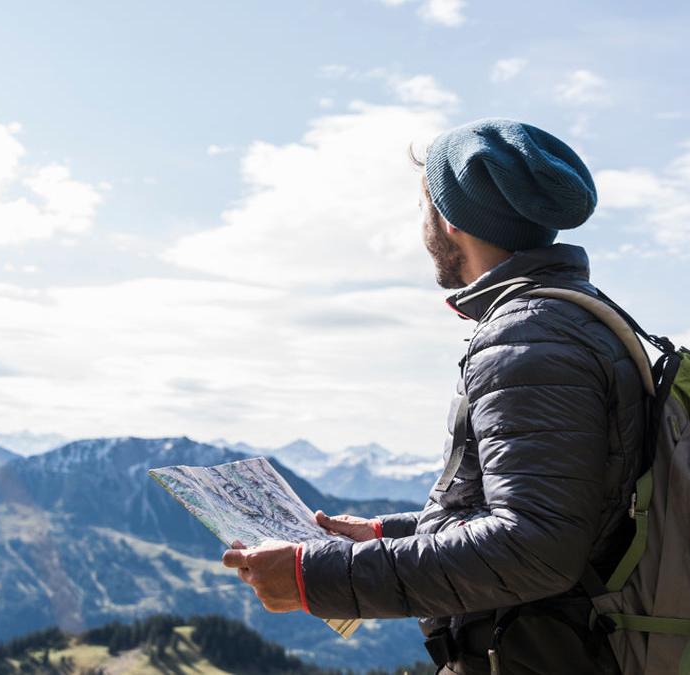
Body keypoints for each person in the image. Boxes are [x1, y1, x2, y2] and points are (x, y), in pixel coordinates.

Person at [221, 118, 646, 674]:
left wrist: (313, 577)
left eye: (423, 206)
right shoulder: (571, 316)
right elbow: (560, 514)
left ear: (448, 220)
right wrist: (379, 535)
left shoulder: (528, 335)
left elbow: (534, 548)